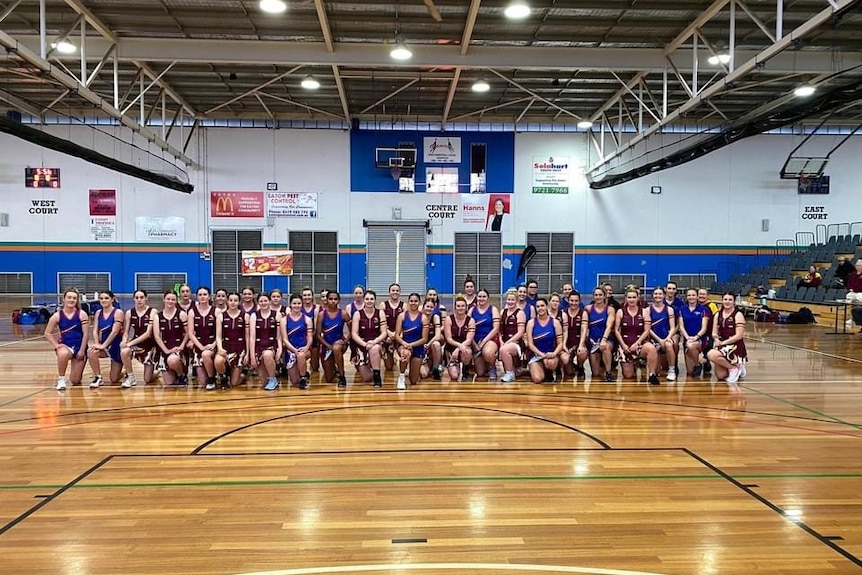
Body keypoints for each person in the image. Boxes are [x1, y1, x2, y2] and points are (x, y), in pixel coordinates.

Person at [45, 289, 90, 391]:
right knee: (63, 354)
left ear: (77, 300)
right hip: (66, 346)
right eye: (69, 297)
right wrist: (56, 345)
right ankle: (61, 379)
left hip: (79, 347)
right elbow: (47, 333)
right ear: (64, 299)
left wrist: (82, 350)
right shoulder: (57, 316)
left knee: (75, 380)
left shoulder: (82, 314)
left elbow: (86, 334)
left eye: (74, 298)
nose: (71, 300)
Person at [614, 287, 660, 385]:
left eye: (634, 297)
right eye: (629, 297)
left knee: (651, 348)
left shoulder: (644, 312)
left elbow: (647, 330)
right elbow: (617, 330)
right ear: (625, 298)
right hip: (625, 345)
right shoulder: (620, 312)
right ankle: (634, 362)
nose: (632, 300)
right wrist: (623, 345)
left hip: (640, 344)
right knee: (628, 376)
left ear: (638, 298)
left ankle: (652, 375)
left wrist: (637, 343)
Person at [707, 292, 748, 386]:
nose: (727, 302)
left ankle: (734, 368)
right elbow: (714, 332)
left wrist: (723, 343)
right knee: (721, 376)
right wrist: (716, 339)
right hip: (722, 344)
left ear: (734, 302)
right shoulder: (718, 314)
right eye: (725, 299)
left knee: (711, 354)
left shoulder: (738, 315)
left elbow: (739, 336)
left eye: (730, 300)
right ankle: (737, 365)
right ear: (722, 301)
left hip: (735, 345)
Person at [87, 290, 124, 388]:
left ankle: (124, 372)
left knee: (114, 379)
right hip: (104, 345)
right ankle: (98, 377)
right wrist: (97, 344)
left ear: (112, 299)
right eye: (101, 298)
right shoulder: (98, 313)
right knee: (91, 352)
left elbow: (115, 331)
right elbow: (95, 330)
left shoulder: (118, 312)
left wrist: (104, 345)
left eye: (106, 298)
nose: (103, 300)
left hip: (115, 347)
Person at [120, 289, 156, 388]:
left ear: (146, 298)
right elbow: (126, 332)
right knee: (124, 351)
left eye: (141, 297)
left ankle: (156, 372)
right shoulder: (129, 313)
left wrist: (129, 344)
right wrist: (124, 340)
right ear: (133, 299)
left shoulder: (152, 312)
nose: (139, 300)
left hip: (150, 344)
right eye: (136, 298)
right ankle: (130, 376)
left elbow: (148, 333)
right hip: (136, 343)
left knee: (147, 379)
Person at [351, 289, 387, 387]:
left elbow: (384, 333)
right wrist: (365, 344)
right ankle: (369, 364)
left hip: (376, 343)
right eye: (367, 299)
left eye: (372, 299)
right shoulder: (357, 314)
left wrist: (374, 342)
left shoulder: (380, 313)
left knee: (374, 349)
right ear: (363, 300)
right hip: (362, 345)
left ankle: (377, 376)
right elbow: (354, 334)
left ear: (375, 300)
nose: (369, 301)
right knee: (366, 378)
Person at [153, 290, 189, 386]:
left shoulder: (181, 314)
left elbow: (188, 333)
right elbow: (157, 336)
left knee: (172, 360)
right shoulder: (157, 316)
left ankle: (181, 374)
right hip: (165, 348)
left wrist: (181, 346)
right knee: (169, 382)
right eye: (168, 299)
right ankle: (174, 372)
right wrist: (166, 350)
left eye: (173, 299)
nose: (170, 301)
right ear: (164, 299)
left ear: (176, 301)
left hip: (178, 347)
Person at [394, 293, 430, 389]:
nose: (413, 303)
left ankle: (410, 367)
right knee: (405, 354)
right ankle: (401, 376)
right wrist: (404, 343)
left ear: (419, 303)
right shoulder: (402, 316)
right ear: (408, 302)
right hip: (404, 346)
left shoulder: (423, 318)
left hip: (417, 347)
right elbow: (396, 335)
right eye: (411, 301)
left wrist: (412, 345)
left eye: (416, 301)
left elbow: (424, 339)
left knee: (413, 381)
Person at [317, 290, 351, 389]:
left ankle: (342, 376)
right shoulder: (321, 315)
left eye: (335, 299)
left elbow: (352, 331)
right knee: (329, 378)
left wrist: (345, 341)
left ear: (339, 300)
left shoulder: (344, 314)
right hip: (327, 345)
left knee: (336, 348)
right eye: (330, 299)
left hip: (340, 343)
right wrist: (328, 346)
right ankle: (334, 368)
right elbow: (318, 335)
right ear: (326, 300)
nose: (333, 301)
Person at [214, 292, 248, 389]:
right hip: (226, 346)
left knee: (234, 383)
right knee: (218, 361)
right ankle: (223, 376)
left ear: (239, 302)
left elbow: (248, 337)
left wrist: (247, 353)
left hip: (240, 348)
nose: (233, 303)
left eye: (235, 300)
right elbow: (218, 336)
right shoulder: (221, 316)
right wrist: (220, 348)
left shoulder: (245, 316)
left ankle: (243, 374)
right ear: (227, 301)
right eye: (231, 300)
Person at [187, 286, 218, 390]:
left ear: (209, 296)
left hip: (213, 343)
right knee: (203, 383)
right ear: (197, 297)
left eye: (205, 294)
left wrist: (214, 344)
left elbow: (221, 333)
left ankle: (212, 378)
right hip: (199, 344)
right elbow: (190, 333)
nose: (202, 297)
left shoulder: (216, 311)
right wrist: (200, 347)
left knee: (206, 354)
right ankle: (209, 374)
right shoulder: (192, 312)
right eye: (200, 295)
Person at [525, 298, 563, 383]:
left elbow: (560, 343)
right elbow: (530, 344)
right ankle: (540, 370)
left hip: (550, 355)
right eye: (538, 306)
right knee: (537, 379)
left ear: (547, 307)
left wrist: (554, 353)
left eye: (542, 306)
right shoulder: (531, 323)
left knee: (550, 363)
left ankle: (551, 371)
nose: (540, 308)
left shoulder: (555, 323)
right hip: (536, 355)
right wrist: (541, 354)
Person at [249, 293, 282, 391]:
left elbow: (279, 336)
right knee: (264, 382)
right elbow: (252, 337)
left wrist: (280, 349)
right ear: (258, 303)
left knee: (267, 355)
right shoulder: (254, 316)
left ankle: (273, 378)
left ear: (269, 301)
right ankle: (271, 378)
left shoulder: (277, 314)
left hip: (272, 346)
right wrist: (252, 356)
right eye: (261, 301)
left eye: (265, 301)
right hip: (259, 347)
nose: (263, 303)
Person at [582, 286, 615, 382]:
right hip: (593, 341)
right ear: (593, 296)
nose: (598, 297)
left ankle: (608, 372)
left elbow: (609, 326)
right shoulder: (588, 309)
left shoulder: (610, 309)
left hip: (606, 340)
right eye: (596, 295)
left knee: (605, 347)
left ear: (605, 296)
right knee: (595, 374)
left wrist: (604, 339)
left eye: (600, 295)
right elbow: (584, 328)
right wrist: (583, 343)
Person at [282, 293, 313, 390]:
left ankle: (303, 378)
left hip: (304, 349)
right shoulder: (284, 320)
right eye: (294, 303)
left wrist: (306, 347)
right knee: (294, 381)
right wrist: (293, 350)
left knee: (301, 356)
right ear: (290, 304)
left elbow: (310, 338)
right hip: (290, 350)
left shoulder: (307, 319)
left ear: (302, 304)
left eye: (299, 303)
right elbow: (285, 339)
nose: (296, 306)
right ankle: (303, 371)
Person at [648, 287, 678, 381]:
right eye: (656, 294)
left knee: (669, 345)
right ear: (652, 296)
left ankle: (672, 370)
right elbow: (647, 328)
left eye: (660, 294)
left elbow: (673, 327)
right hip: (654, 338)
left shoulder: (669, 309)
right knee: (656, 372)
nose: (658, 296)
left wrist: (666, 338)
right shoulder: (647, 310)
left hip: (666, 337)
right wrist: (659, 340)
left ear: (664, 295)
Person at [471, 288, 501, 380]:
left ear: (488, 298)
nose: (482, 298)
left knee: (488, 353)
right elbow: (467, 328)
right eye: (480, 296)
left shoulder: (493, 309)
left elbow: (496, 329)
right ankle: (485, 365)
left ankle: (492, 367)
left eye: (484, 296)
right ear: (476, 297)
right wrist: (474, 344)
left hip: (490, 339)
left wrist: (483, 342)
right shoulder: (472, 310)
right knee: (480, 373)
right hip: (475, 341)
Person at [444, 296, 476, 381]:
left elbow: (469, 340)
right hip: (451, 346)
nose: (460, 308)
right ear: (455, 307)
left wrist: (459, 349)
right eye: (458, 306)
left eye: (462, 306)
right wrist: (458, 346)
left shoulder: (471, 320)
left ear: (466, 308)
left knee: (467, 351)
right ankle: (452, 363)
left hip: (465, 346)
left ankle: (466, 370)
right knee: (454, 376)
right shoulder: (449, 319)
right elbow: (448, 339)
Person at [678, 288, 709, 377]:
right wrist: (687, 337)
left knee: (691, 345)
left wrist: (696, 337)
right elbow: (681, 327)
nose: (691, 297)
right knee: (690, 372)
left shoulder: (703, 310)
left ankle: (697, 364)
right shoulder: (682, 309)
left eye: (693, 295)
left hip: (700, 339)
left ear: (697, 297)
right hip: (687, 339)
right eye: (689, 295)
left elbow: (704, 328)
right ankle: (699, 362)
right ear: (686, 297)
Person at [498, 289, 526, 383]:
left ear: (517, 300)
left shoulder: (520, 313)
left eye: (512, 300)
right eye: (509, 300)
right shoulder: (503, 312)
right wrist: (501, 341)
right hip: (505, 341)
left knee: (504, 349)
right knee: (501, 348)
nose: (510, 302)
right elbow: (500, 330)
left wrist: (508, 342)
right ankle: (512, 370)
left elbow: (520, 332)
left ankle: (510, 374)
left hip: (516, 342)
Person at [561, 291, 588, 379]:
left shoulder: (583, 313)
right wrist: (563, 345)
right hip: (567, 342)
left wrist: (581, 345)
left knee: (582, 353)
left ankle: (580, 367)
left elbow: (584, 329)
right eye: (572, 300)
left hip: (578, 341)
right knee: (568, 372)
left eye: (576, 301)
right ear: (568, 300)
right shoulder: (563, 313)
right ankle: (570, 364)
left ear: (579, 301)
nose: (574, 303)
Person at [419, 298, 445, 380]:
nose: (429, 309)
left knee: (436, 344)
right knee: (423, 374)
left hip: (430, 345)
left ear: (434, 308)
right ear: (423, 307)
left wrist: (428, 345)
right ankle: (424, 363)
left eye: (431, 307)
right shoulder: (419, 317)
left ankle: (435, 368)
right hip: (420, 347)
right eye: (427, 306)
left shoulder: (435, 317)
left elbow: (437, 335)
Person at [380, 283, 404, 371]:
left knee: (404, 353)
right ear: (389, 292)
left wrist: (397, 335)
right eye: (393, 290)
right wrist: (389, 333)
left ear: (400, 292)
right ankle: (390, 358)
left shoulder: (404, 305)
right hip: (387, 335)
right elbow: (381, 323)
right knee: (389, 367)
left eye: (397, 290)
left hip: (399, 335)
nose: (395, 292)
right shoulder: (383, 305)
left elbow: (405, 323)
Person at [300, 286, 321, 373]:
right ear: (302, 297)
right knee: (301, 357)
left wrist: (310, 338)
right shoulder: (298, 307)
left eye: (309, 295)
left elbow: (316, 326)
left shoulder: (316, 308)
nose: (307, 297)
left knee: (315, 367)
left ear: (312, 296)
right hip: (301, 337)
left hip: (313, 336)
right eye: (305, 295)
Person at [847, 260, 862, 332]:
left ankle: (855, 318)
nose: (857, 267)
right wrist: (850, 288)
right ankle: (850, 318)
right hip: (853, 292)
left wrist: (855, 289)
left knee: (858, 298)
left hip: (860, 292)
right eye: (857, 265)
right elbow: (849, 283)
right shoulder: (853, 274)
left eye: (859, 265)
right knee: (849, 298)